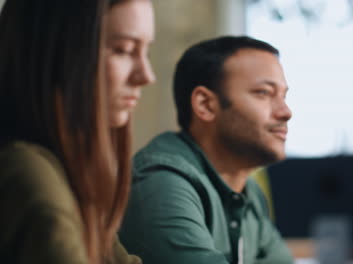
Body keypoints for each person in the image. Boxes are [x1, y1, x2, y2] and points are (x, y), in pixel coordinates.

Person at [0, 0, 155, 263]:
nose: (146, 75)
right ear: (55, 53)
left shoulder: (70, 175)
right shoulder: (29, 174)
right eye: (123, 50)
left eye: (145, 50)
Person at [120, 36, 294, 264]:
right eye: (263, 93)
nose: (286, 112)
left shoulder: (249, 192)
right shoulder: (159, 180)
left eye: (283, 96)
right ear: (205, 105)